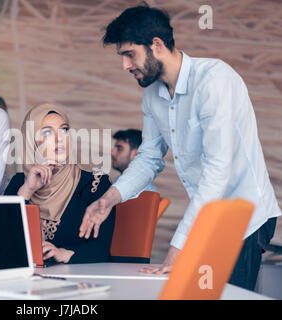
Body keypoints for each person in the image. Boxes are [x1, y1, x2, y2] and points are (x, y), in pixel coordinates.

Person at [78, 5, 281, 291]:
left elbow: (217, 173)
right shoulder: (151, 95)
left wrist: (178, 246)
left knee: (225, 296)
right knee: (198, 293)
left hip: (245, 215)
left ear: (156, 46)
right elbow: (148, 158)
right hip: (208, 215)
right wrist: (109, 199)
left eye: (129, 54)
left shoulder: (214, 81)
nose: (125, 65)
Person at [4, 103, 115, 264]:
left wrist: (66, 253)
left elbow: (101, 248)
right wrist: (27, 191)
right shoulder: (20, 183)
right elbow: (1, 238)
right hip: (29, 282)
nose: (59, 139)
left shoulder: (95, 184)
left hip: (83, 282)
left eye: (64, 130)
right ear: (30, 140)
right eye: (47, 132)